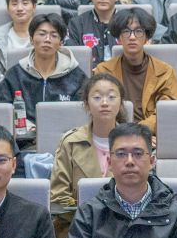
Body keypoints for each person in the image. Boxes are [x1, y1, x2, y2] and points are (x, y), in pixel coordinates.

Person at [45, 71, 127, 223]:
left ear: (121, 103)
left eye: (111, 97)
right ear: (86, 104)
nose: (104, 103)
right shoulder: (71, 142)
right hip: (78, 224)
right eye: (97, 97)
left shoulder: (132, 143)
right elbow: (58, 197)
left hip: (124, 224)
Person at [0, 14, 86, 128]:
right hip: (24, 136)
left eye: (54, 35)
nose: (47, 40)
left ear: (61, 43)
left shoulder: (76, 76)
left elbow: (84, 115)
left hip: (65, 136)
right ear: (31, 39)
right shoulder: (16, 74)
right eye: (42, 34)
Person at [93, 8, 177, 129]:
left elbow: (169, 112)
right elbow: (99, 110)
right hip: (115, 133)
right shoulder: (104, 71)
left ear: (146, 37)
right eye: (126, 31)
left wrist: (141, 131)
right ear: (119, 38)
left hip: (153, 133)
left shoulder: (165, 72)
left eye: (138, 31)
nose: (132, 37)